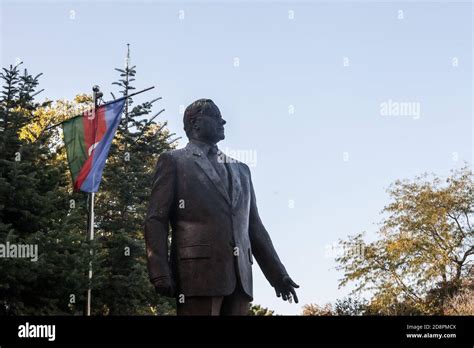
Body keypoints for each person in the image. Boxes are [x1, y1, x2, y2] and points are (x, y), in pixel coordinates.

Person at [145, 98, 299, 315]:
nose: (223, 121)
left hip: (240, 278)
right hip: (196, 273)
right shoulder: (174, 161)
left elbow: (254, 227)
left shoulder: (242, 170)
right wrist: (159, 270)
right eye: (216, 117)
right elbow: (156, 219)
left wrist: (277, 274)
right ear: (196, 122)